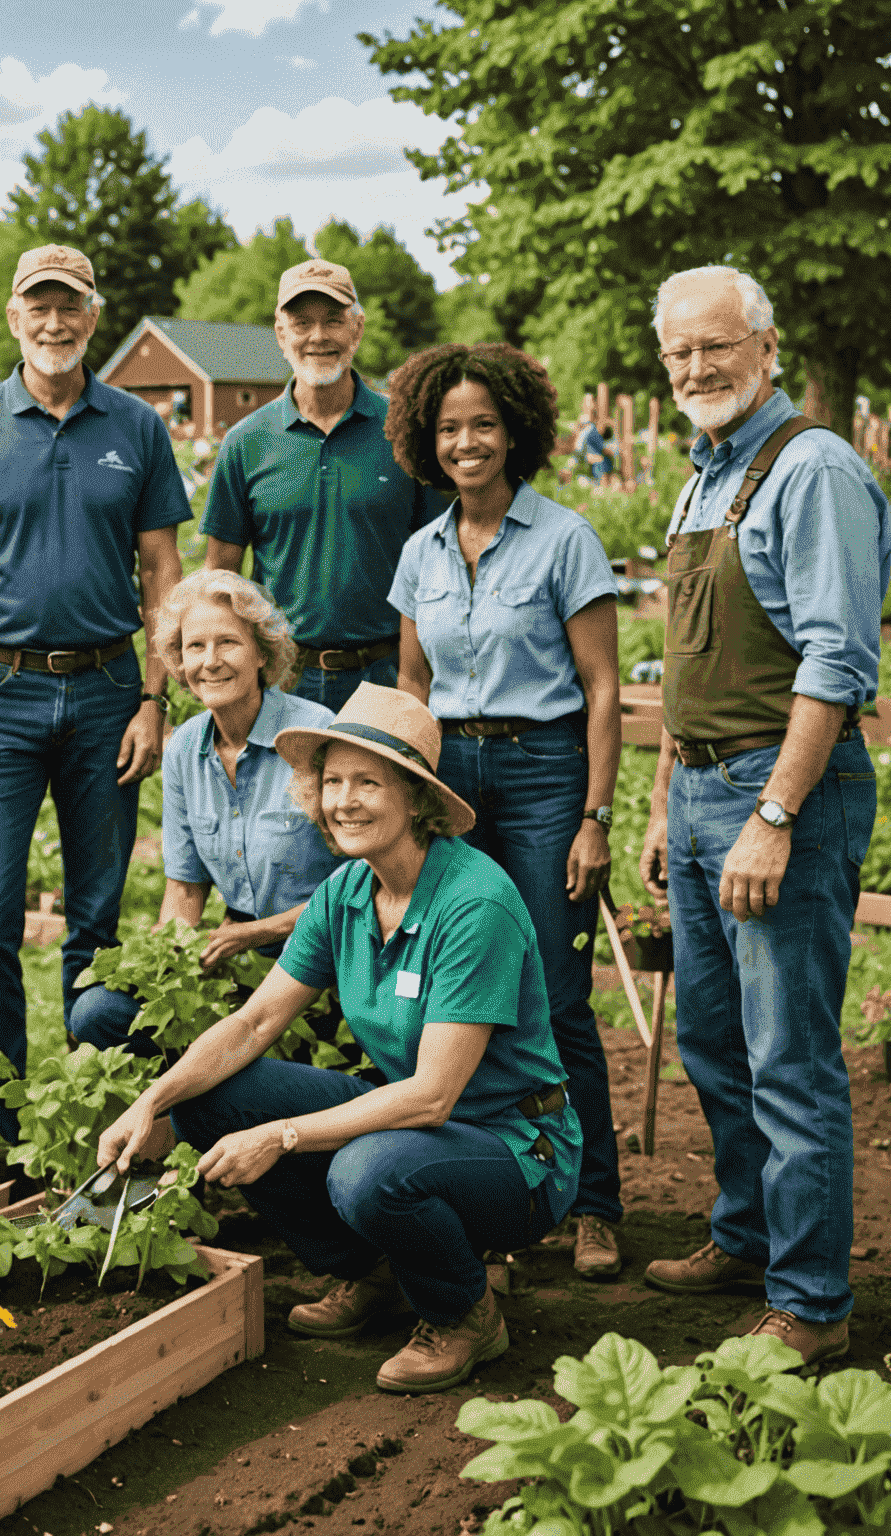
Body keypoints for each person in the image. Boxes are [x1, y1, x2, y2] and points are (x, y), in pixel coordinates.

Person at [99, 684, 581, 1392]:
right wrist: (151, 1101)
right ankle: (371, 1273)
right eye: (331, 782)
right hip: (417, 1127)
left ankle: (463, 1314)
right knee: (209, 1101)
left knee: (366, 1173)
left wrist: (282, 1136)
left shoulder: (474, 903)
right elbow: (254, 1023)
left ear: (416, 800)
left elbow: (431, 1097)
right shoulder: (347, 892)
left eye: (367, 782)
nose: (343, 801)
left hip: (516, 1147)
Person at [638, 266, 891, 1364]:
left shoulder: (814, 469)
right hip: (698, 788)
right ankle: (746, 1235)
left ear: (766, 349)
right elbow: (689, 668)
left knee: (787, 1054)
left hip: (777, 793)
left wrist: (776, 815)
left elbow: (838, 661)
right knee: (713, 1039)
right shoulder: (703, 478)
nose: (698, 367)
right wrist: (662, 803)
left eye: (717, 346)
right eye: (680, 351)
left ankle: (812, 1301)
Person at [0, 244, 187, 1138]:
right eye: (40, 305)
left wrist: (156, 698)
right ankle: (1, 1118)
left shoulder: (136, 428)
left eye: (70, 306)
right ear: (13, 318)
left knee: (96, 917)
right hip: (1, 695)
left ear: (95, 316)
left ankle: (86, 1106)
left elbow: (162, 570)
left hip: (110, 690)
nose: (55, 322)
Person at [384, 342, 625, 1280]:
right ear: (425, 440)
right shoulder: (421, 551)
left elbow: (603, 689)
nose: (467, 441)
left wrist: (595, 815)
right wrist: (410, 795)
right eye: (449, 428)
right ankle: (491, 1189)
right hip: (451, 779)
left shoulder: (565, 539)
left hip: (541, 775)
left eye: (483, 423)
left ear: (515, 431)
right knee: (460, 988)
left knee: (558, 998)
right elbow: (411, 680)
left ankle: (595, 1202)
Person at [69, 569, 342, 1055]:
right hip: (237, 958)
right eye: (195, 647)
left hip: (328, 958)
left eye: (228, 643)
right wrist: (162, 957)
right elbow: (185, 890)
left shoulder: (314, 735)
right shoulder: (183, 751)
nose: (210, 662)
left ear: (262, 652)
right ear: (178, 660)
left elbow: (367, 884)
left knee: (262, 1062)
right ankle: (180, 1113)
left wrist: (256, 932)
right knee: (98, 1012)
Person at [202, 259, 443, 711]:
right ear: (280, 333)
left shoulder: (404, 431)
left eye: (334, 320)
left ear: (357, 329)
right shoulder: (246, 443)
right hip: (282, 679)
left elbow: (436, 565)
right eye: (302, 323)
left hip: (386, 675)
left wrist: (417, 685)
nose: (318, 337)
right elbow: (221, 576)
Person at [574, 404, 614, 483]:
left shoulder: (595, 430)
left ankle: (604, 481)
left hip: (595, 458)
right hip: (589, 458)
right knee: (599, 460)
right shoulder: (591, 430)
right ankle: (602, 482)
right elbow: (579, 447)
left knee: (602, 460)